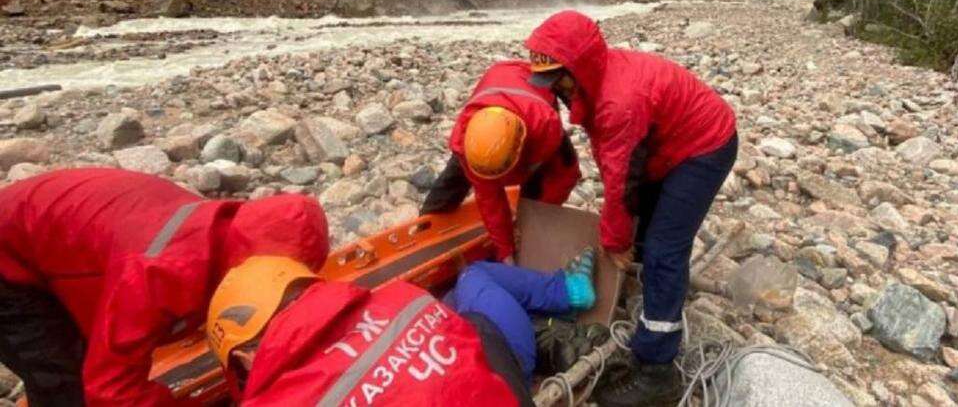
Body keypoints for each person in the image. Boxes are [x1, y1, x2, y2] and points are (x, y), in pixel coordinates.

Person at [524, 11, 738, 406]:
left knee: (664, 250)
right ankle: (646, 296)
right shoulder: (594, 78)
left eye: (558, 79)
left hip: (703, 146)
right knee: (639, 228)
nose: (555, 90)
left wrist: (615, 240)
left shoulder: (618, 102)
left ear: (579, 68)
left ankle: (657, 370)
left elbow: (620, 182)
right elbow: (622, 176)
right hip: (665, 142)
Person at [0, 168, 330, 407]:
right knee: (65, 385)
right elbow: (109, 389)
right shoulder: (156, 274)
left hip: (64, 229)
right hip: (9, 264)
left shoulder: (229, 227)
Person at [205, 249, 598, 406]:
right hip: (506, 376)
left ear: (243, 357)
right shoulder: (400, 299)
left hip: (499, 371)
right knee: (474, 284)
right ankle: (565, 301)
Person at [421, 60, 581, 262]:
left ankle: (528, 223)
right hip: (500, 84)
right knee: (453, 179)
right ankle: (425, 229)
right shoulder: (465, 139)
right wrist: (505, 250)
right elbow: (489, 198)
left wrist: (534, 217)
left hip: (530, 99)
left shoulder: (545, 126)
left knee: (536, 191)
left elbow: (565, 176)